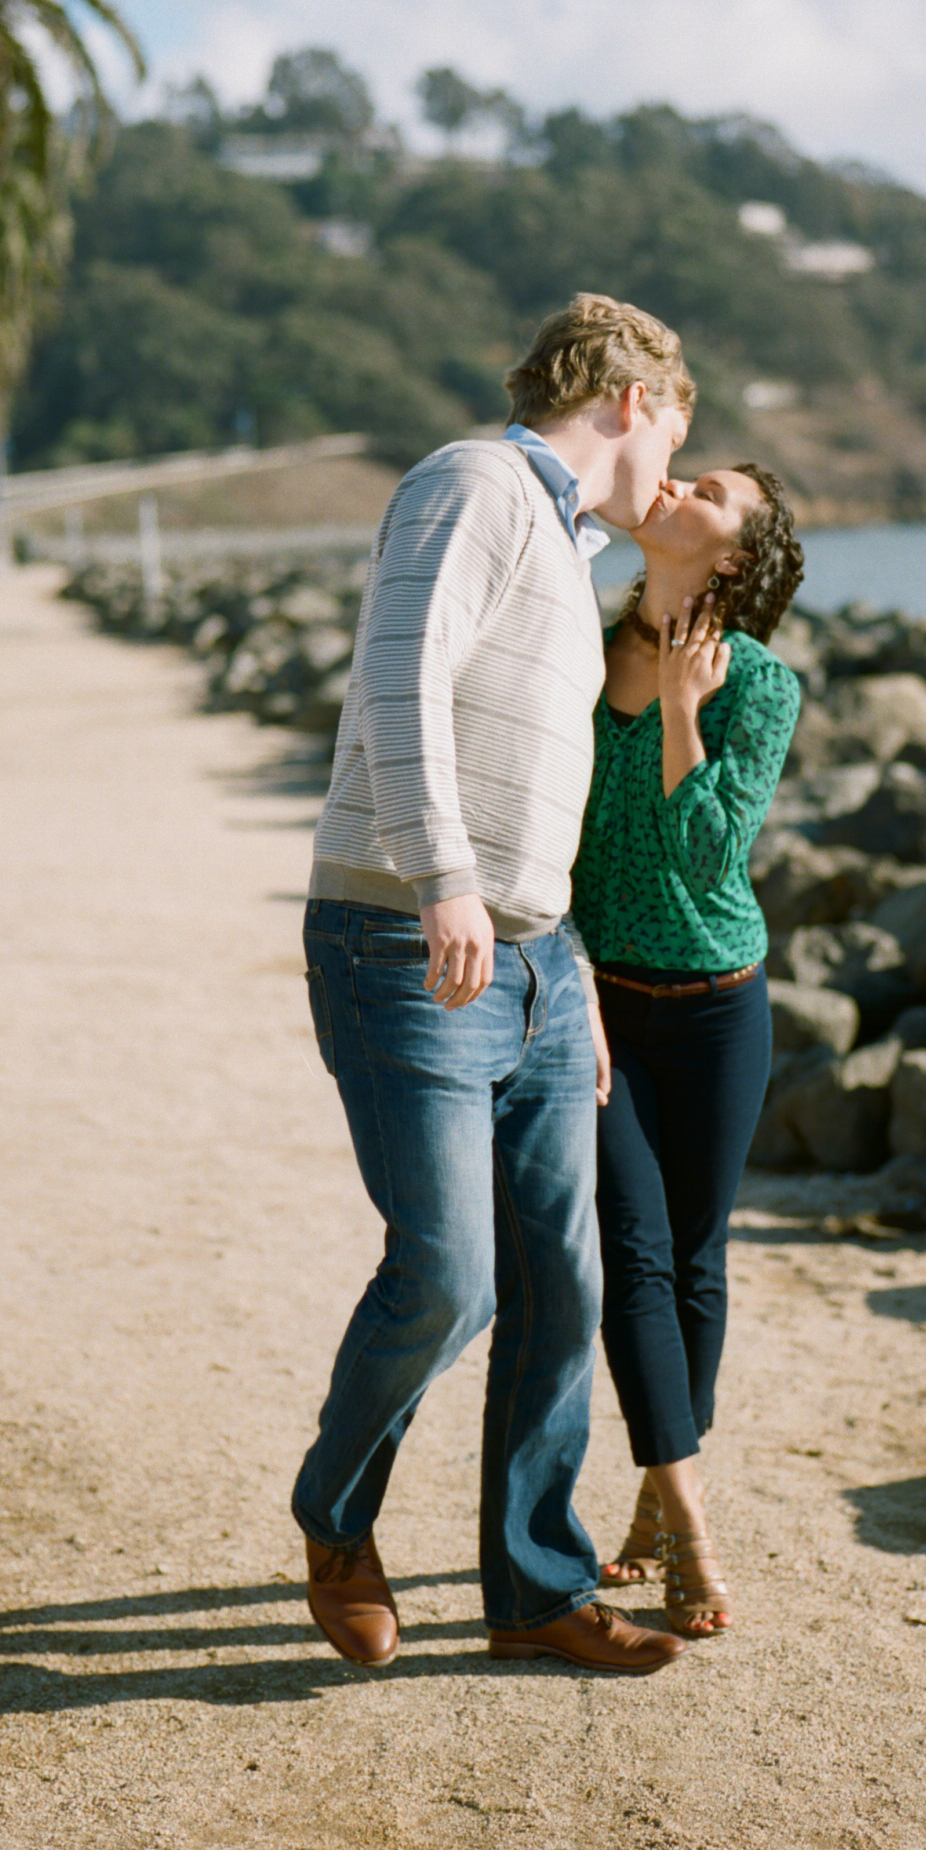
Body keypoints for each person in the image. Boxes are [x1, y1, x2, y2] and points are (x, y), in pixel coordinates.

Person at [293, 294, 698, 1676]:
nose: (672, 482)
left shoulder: (568, 543)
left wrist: (563, 971)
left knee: (563, 1284)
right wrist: (446, 877)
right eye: (677, 440)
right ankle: (334, 1522)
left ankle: (534, 1588)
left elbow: (538, 784)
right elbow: (396, 679)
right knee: (451, 1275)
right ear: (635, 401)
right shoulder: (469, 481)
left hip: (531, 957)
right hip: (407, 939)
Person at [569, 462, 805, 1637]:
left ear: (728, 555)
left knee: (696, 1256)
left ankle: (655, 1497)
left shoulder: (760, 685)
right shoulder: (573, 649)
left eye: (707, 486)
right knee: (635, 1253)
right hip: (600, 1000)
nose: (673, 479)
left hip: (719, 1003)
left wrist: (676, 705)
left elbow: (711, 855)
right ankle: (693, 1524)